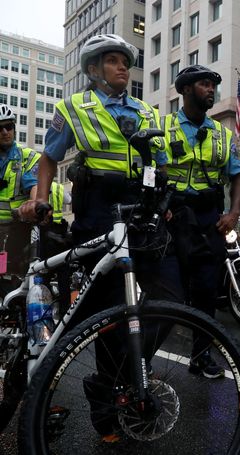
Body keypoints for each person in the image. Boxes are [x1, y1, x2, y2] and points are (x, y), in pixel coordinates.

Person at [19, 34, 183, 440]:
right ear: (93, 70)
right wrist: (41, 198)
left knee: (173, 300)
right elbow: (49, 158)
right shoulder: (74, 108)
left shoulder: (146, 111)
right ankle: (106, 403)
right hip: (97, 213)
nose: (123, 67)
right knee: (107, 314)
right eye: (112, 61)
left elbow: (160, 162)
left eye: (125, 61)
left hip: (143, 212)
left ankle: (129, 374)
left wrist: (165, 198)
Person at [162, 64, 240, 378]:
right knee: (168, 292)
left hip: (210, 219)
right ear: (185, 90)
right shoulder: (164, 126)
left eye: (213, 85)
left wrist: (233, 213)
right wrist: (159, 207)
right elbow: (149, 169)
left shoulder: (222, 134)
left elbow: (236, 176)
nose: (211, 90)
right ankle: (141, 362)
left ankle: (201, 357)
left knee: (207, 292)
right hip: (172, 217)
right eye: (204, 85)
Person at [0, 104, 39, 292]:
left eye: (9, 126)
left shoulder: (26, 157)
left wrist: (33, 203)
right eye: (0, 128)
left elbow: (34, 187)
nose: (5, 132)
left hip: (16, 231)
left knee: (13, 282)